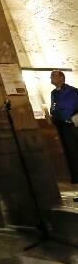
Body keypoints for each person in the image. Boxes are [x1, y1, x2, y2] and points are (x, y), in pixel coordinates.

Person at [50, 70, 78, 198]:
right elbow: (54, 108)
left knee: (75, 151)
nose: (51, 77)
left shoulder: (72, 91)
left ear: (61, 77)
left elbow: (69, 107)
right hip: (61, 126)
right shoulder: (54, 93)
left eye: (53, 76)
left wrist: (61, 114)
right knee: (70, 154)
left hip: (71, 126)